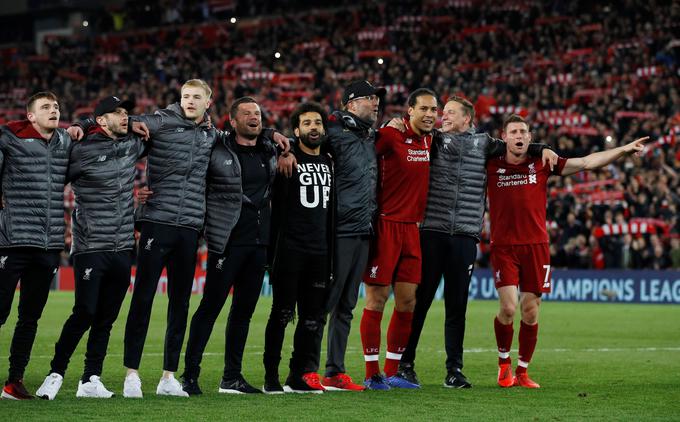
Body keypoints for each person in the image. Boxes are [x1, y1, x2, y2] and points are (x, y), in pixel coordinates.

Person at [396, 96, 555, 388]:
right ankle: (405, 365)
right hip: (432, 231)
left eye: (451, 113)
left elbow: (514, 144)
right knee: (421, 302)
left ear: (467, 119)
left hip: (466, 236)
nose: (444, 117)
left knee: (457, 307)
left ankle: (454, 370)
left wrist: (541, 147)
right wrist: (398, 123)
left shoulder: (484, 144)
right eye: (443, 112)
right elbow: (406, 135)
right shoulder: (432, 141)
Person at [488, 114, 648, 388]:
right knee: (508, 307)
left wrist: (622, 150)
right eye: (513, 131)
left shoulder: (543, 162)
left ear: (529, 137)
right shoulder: (490, 163)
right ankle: (504, 364)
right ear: (504, 137)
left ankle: (523, 371)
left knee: (531, 310)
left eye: (522, 132)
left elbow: (586, 162)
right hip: (504, 246)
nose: (518, 136)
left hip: (537, 246)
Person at [35, 96, 146, 400]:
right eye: (118, 113)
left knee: (106, 319)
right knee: (84, 312)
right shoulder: (80, 150)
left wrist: (138, 122)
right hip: (90, 245)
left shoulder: (132, 144)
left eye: (127, 112)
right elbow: (51, 179)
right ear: (100, 120)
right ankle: (55, 374)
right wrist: (79, 125)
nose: (125, 117)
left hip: (123, 246)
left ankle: (90, 379)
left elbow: (165, 127)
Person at [278, 80, 384, 391]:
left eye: (377, 99)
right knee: (321, 304)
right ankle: (303, 369)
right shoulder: (333, 133)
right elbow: (302, 142)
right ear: (351, 104)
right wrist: (285, 149)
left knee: (347, 305)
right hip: (338, 231)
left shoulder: (368, 137)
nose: (376, 103)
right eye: (369, 98)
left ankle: (334, 370)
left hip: (364, 229)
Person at [122, 79, 218, 398]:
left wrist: (273, 134)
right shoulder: (162, 120)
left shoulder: (211, 134)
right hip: (156, 222)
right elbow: (125, 123)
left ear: (208, 102)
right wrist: (90, 122)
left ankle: (168, 377)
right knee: (143, 299)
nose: (189, 101)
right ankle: (132, 374)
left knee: (180, 303)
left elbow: (243, 141)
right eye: (185, 96)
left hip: (189, 228)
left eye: (196, 97)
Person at [180, 97, 281, 395]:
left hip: (259, 241)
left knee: (243, 312)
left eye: (258, 114)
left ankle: (231, 377)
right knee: (210, 307)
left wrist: (272, 135)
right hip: (227, 241)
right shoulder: (218, 148)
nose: (254, 117)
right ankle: (189, 375)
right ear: (233, 121)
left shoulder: (269, 149)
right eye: (247, 114)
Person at [360, 88, 437, 390]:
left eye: (434, 110)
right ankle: (371, 373)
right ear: (410, 110)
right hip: (386, 226)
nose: (430, 114)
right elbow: (362, 155)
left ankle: (393, 371)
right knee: (377, 299)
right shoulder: (390, 136)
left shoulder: (430, 139)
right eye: (424, 109)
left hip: (412, 229)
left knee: (407, 301)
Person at [0, 92, 73, 400]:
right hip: (13, 241)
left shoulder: (65, 142)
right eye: (45, 107)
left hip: (48, 244)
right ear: (30, 116)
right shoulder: (10, 138)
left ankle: (14, 382)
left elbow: (94, 130)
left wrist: (82, 123)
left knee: (30, 317)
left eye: (56, 106)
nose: (53, 110)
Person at [263, 102, 333, 394]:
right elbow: (262, 138)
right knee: (281, 314)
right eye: (307, 123)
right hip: (289, 250)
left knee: (312, 319)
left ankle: (298, 375)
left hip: (320, 252)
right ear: (295, 130)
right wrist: (284, 149)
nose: (313, 127)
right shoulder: (284, 158)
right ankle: (270, 377)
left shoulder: (330, 160)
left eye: (317, 123)